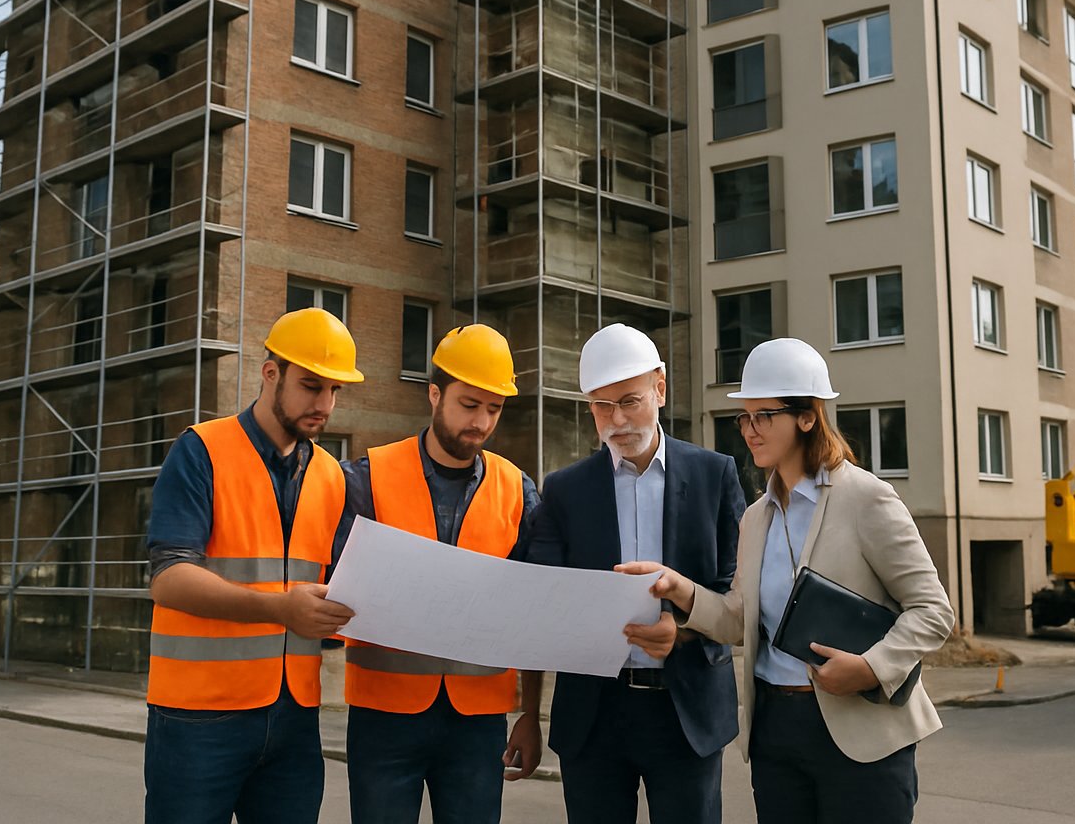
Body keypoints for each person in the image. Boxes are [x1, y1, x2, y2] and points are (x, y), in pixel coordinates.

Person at [620, 337, 954, 824]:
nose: (749, 431)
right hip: (776, 733)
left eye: (763, 416)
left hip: (859, 732)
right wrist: (679, 588)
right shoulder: (756, 518)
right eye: (744, 417)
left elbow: (933, 611)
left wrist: (870, 666)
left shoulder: (867, 499)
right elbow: (739, 620)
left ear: (807, 416)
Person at [143, 307, 363, 824]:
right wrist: (281, 609)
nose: (325, 405)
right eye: (311, 386)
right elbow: (169, 579)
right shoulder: (201, 450)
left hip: (294, 717)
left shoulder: (332, 475)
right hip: (198, 715)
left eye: (334, 391)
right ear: (271, 374)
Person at [529, 323, 746, 824]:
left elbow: (736, 591)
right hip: (594, 713)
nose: (618, 420)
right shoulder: (564, 489)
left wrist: (685, 630)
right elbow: (542, 588)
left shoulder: (716, 475)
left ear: (661, 388)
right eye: (602, 407)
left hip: (685, 710)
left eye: (630, 401)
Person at [337, 323, 545, 824]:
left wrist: (531, 714)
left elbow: (534, 611)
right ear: (435, 394)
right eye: (468, 405)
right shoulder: (367, 478)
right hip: (383, 717)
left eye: (493, 409)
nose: (481, 421)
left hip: (477, 724)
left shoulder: (518, 490)